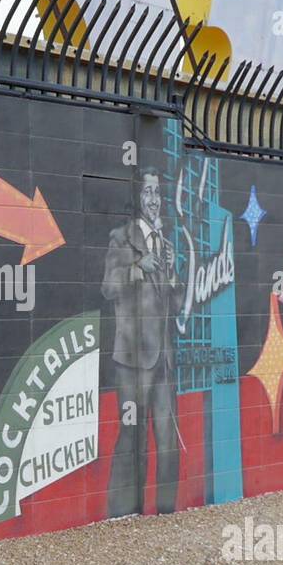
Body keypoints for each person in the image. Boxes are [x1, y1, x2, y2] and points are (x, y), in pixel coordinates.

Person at [101, 168, 183, 516]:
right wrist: (137, 267)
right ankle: (122, 512)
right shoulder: (121, 238)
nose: (154, 200)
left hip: (162, 356)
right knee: (132, 438)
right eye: (148, 193)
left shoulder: (165, 244)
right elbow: (108, 287)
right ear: (138, 198)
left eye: (158, 194)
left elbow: (173, 305)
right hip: (133, 358)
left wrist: (173, 274)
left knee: (168, 442)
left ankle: (165, 510)